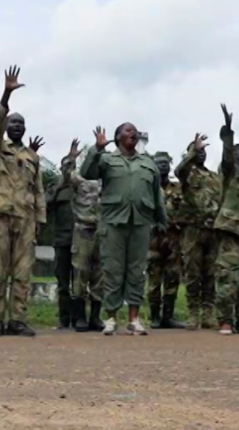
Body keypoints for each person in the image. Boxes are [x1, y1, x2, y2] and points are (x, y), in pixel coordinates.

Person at [81, 121, 164, 336]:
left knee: (137, 272)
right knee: (113, 270)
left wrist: (161, 220)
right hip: (113, 223)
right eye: (128, 130)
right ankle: (110, 317)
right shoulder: (107, 159)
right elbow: (87, 172)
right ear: (118, 137)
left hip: (141, 223)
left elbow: (157, 195)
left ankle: (134, 319)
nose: (133, 133)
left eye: (135, 130)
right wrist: (97, 149)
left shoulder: (148, 163)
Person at [0, 66, 46, 337]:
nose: (16, 127)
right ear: (8, 128)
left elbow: (39, 190)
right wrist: (6, 96)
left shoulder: (33, 157)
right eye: (13, 124)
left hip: (26, 220)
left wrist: (40, 220)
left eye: (20, 124)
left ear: (25, 129)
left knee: (22, 273)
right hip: (2, 216)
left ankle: (17, 320)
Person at [198, 104, 239, 335]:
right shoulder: (230, 172)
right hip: (230, 232)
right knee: (228, 277)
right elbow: (227, 157)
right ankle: (225, 320)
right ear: (234, 155)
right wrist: (228, 133)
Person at [176, 130, 221, 330]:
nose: (202, 153)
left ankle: (208, 312)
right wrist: (193, 151)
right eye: (198, 151)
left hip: (211, 230)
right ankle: (193, 312)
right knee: (192, 272)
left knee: (210, 273)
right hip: (192, 230)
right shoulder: (187, 174)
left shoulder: (214, 177)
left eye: (203, 151)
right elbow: (179, 170)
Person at [61, 139, 104, 332]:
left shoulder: (106, 180)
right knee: (80, 274)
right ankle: (79, 317)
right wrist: (71, 158)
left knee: (100, 276)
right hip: (83, 231)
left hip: (102, 233)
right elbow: (66, 174)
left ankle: (95, 317)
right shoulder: (79, 180)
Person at [147, 151, 186, 329]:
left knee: (173, 278)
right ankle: (154, 316)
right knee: (154, 280)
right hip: (153, 241)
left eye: (165, 163)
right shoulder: (147, 189)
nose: (162, 165)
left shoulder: (178, 188)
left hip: (173, 240)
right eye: (159, 163)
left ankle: (168, 316)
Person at [46, 151, 75, 330]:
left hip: (81, 240)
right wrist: (58, 188)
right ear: (61, 168)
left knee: (80, 283)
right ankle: (64, 320)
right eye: (66, 166)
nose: (69, 169)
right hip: (62, 240)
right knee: (63, 283)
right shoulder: (54, 188)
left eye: (72, 166)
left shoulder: (82, 186)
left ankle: (80, 319)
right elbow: (45, 205)